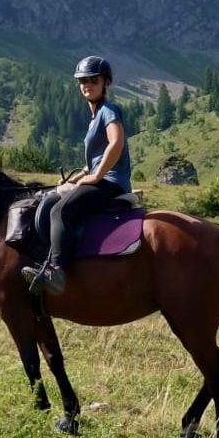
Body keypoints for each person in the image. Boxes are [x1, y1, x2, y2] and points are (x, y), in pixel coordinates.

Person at [24, 55, 133, 296]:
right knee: (50, 199)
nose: (87, 84)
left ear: (105, 82)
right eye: (83, 80)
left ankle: (56, 271)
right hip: (101, 177)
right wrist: (78, 177)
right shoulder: (95, 117)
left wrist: (96, 177)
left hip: (111, 182)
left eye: (93, 79)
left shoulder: (109, 110)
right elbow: (92, 162)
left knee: (60, 210)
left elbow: (116, 143)